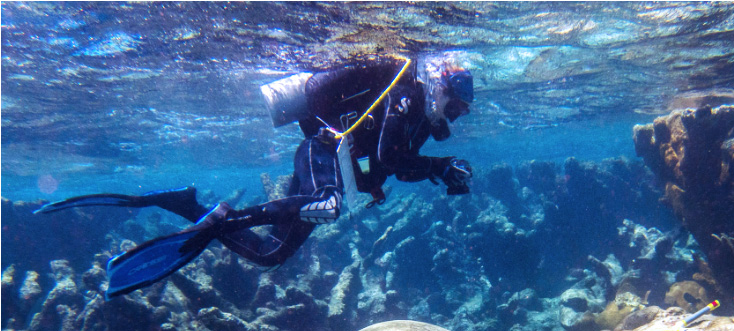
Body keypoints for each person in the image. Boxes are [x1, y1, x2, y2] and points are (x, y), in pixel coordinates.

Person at [35, 55, 474, 298]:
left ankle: (188, 204)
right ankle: (220, 222)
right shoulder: (404, 97)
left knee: (272, 253)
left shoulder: (421, 118)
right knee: (326, 205)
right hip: (321, 151)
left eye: (459, 112)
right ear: (440, 88)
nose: (453, 116)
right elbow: (391, 157)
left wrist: (437, 170)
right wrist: (440, 166)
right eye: (455, 106)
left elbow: (397, 166)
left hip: (337, 167)